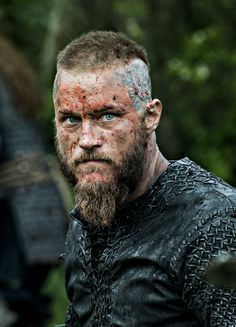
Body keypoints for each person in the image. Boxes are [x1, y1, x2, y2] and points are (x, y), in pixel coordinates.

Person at [53, 31, 236, 326]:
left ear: (150, 116)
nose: (86, 140)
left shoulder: (215, 222)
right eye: (71, 120)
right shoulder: (91, 212)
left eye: (107, 116)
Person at [0, 36, 69, 326]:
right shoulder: (9, 73)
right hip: (41, 205)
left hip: (19, 213)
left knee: (16, 304)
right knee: (25, 303)